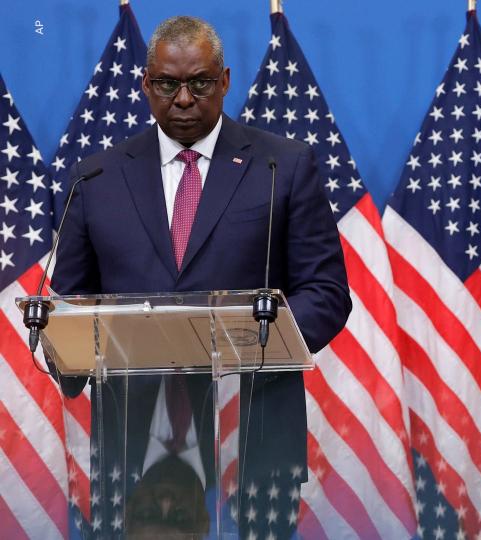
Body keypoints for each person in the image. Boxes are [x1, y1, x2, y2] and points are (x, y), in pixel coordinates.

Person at [49, 16, 351, 538]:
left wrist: (245, 339)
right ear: (146, 84)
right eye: (167, 84)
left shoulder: (284, 166)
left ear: (225, 80)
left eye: (200, 83)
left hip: (252, 426)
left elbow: (325, 292)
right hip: (130, 434)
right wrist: (71, 354)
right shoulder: (96, 177)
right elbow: (72, 300)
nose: (183, 99)